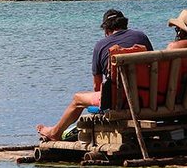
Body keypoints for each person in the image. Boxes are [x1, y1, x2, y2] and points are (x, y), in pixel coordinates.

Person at [36, 9, 153, 142]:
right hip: (147, 98)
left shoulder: (101, 45)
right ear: (124, 24)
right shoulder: (141, 37)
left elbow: (97, 87)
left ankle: (55, 132)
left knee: (77, 99)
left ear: (106, 29)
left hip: (118, 103)